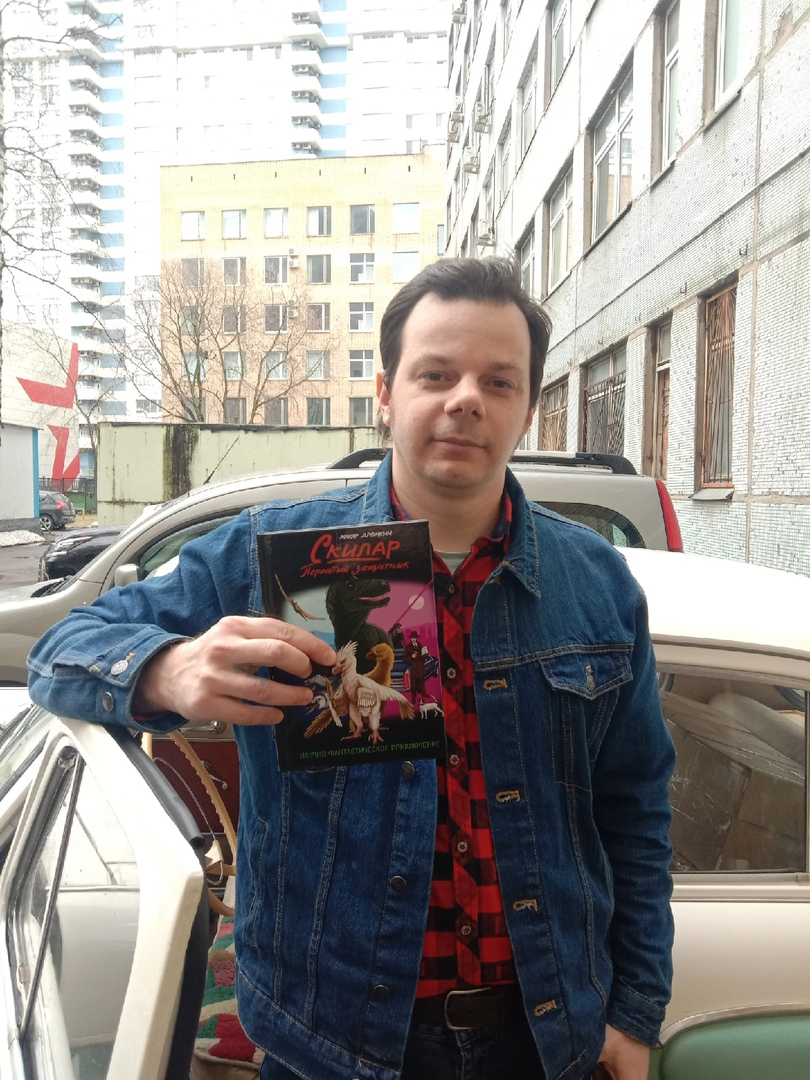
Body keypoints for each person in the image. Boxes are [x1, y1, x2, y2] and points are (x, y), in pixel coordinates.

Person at [28, 257, 675, 1080]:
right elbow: (62, 647)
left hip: (548, 1039)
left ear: (527, 406)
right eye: (436, 374)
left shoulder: (598, 582)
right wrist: (167, 670)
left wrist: (634, 1013)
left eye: (498, 381)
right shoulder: (270, 556)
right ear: (386, 394)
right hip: (330, 1043)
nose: (466, 399)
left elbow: (636, 809)